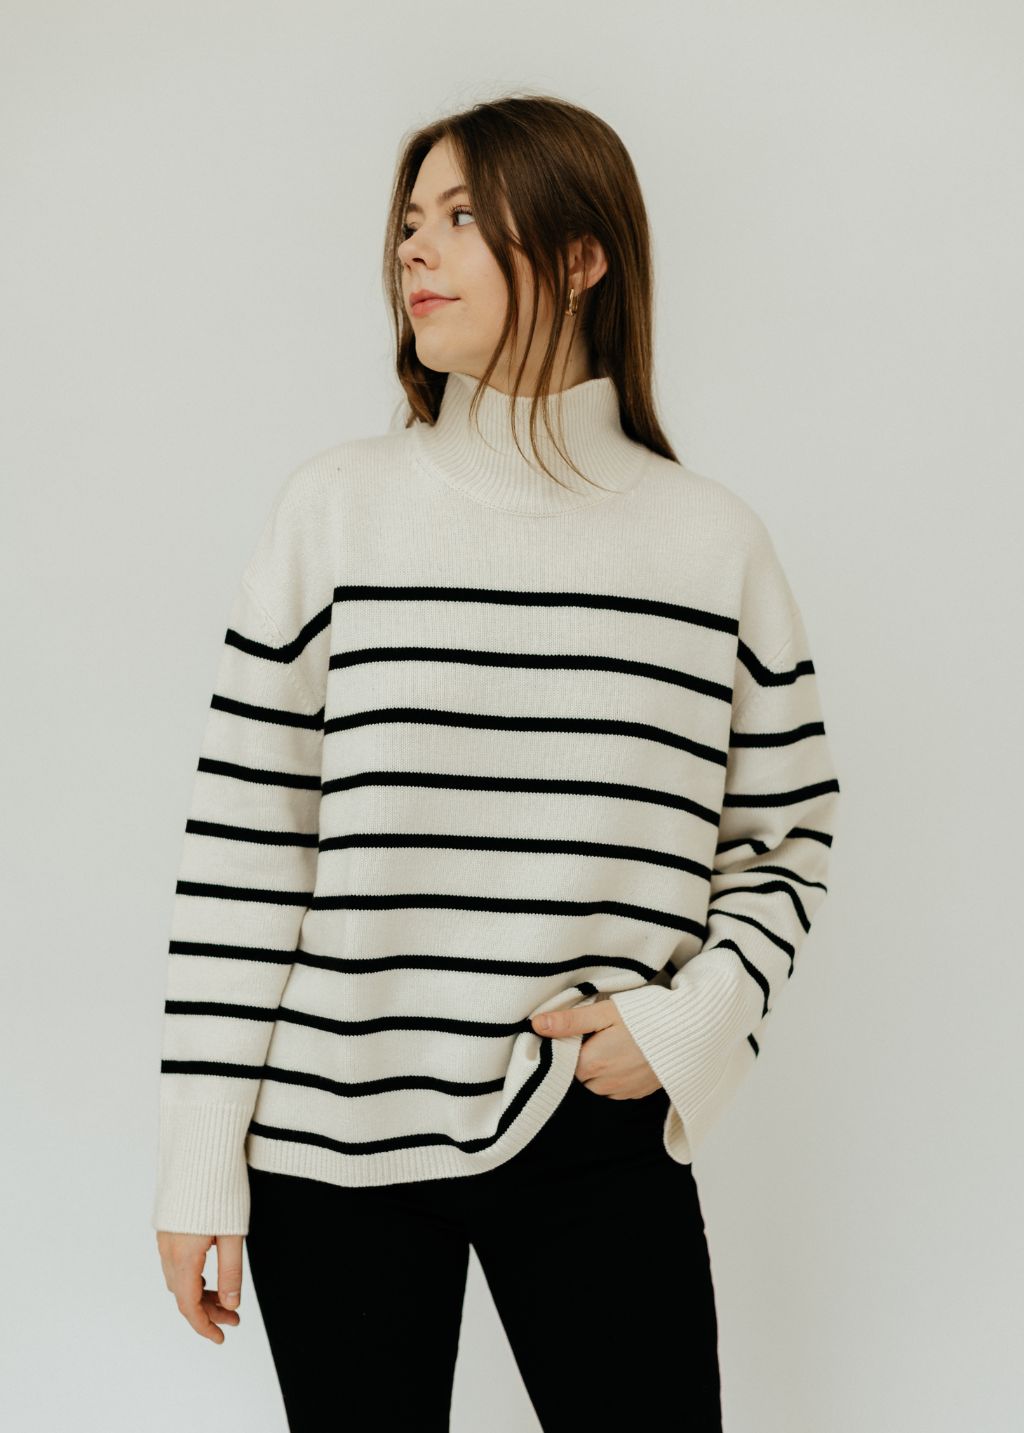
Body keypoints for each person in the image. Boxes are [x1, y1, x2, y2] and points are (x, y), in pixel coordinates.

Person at [153, 94, 841, 1431]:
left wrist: (690, 1022)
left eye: (463, 215)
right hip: (331, 1136)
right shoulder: (335, 511)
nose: (416, 247)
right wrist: (198, 1161)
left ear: (582, 257)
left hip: (589, 1117)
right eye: (411, 218)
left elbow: (786, 837)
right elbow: (247, 854)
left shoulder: (712, 545)